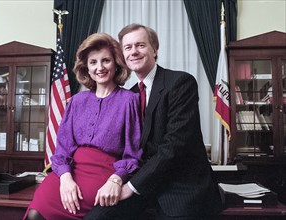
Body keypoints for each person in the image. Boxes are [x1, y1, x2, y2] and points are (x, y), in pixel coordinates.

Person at [84, 24, 223, 219]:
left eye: (140, 45)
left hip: (181, 189)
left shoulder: (180, 83)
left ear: (154, 49)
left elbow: (174, 145)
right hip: (144, 186)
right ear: (122, 56)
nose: (134, 52)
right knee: (96, 217)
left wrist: (131, 187)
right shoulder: (129, 96)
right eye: (128, 47)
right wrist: (116, 179)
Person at [24, 32, 142, 220]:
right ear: (86, 67)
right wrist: (65, 177)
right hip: (69, 171)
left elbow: (133, 153)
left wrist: (117, 179)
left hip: (104, 175)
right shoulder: (76, 101)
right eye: (93, 62)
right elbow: (62, 148)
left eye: (106, 61)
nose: (100, 67)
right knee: (34, 214)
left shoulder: (130, 101)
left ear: (116, 63)